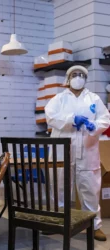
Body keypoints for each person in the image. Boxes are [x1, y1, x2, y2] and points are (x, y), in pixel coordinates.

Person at [45, 65, 110, 241]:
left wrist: (94, 126)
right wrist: (71, 119)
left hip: (87, 150)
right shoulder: (58, 99)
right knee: (59, 187)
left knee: (90, 188)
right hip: (62, 151)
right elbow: (50, 117)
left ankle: (94, 225)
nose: (78, 77)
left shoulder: (94, 99)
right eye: (75, 74)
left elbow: (105, 119)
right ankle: (57, 221)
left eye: (81, 75)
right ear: (68, 78)